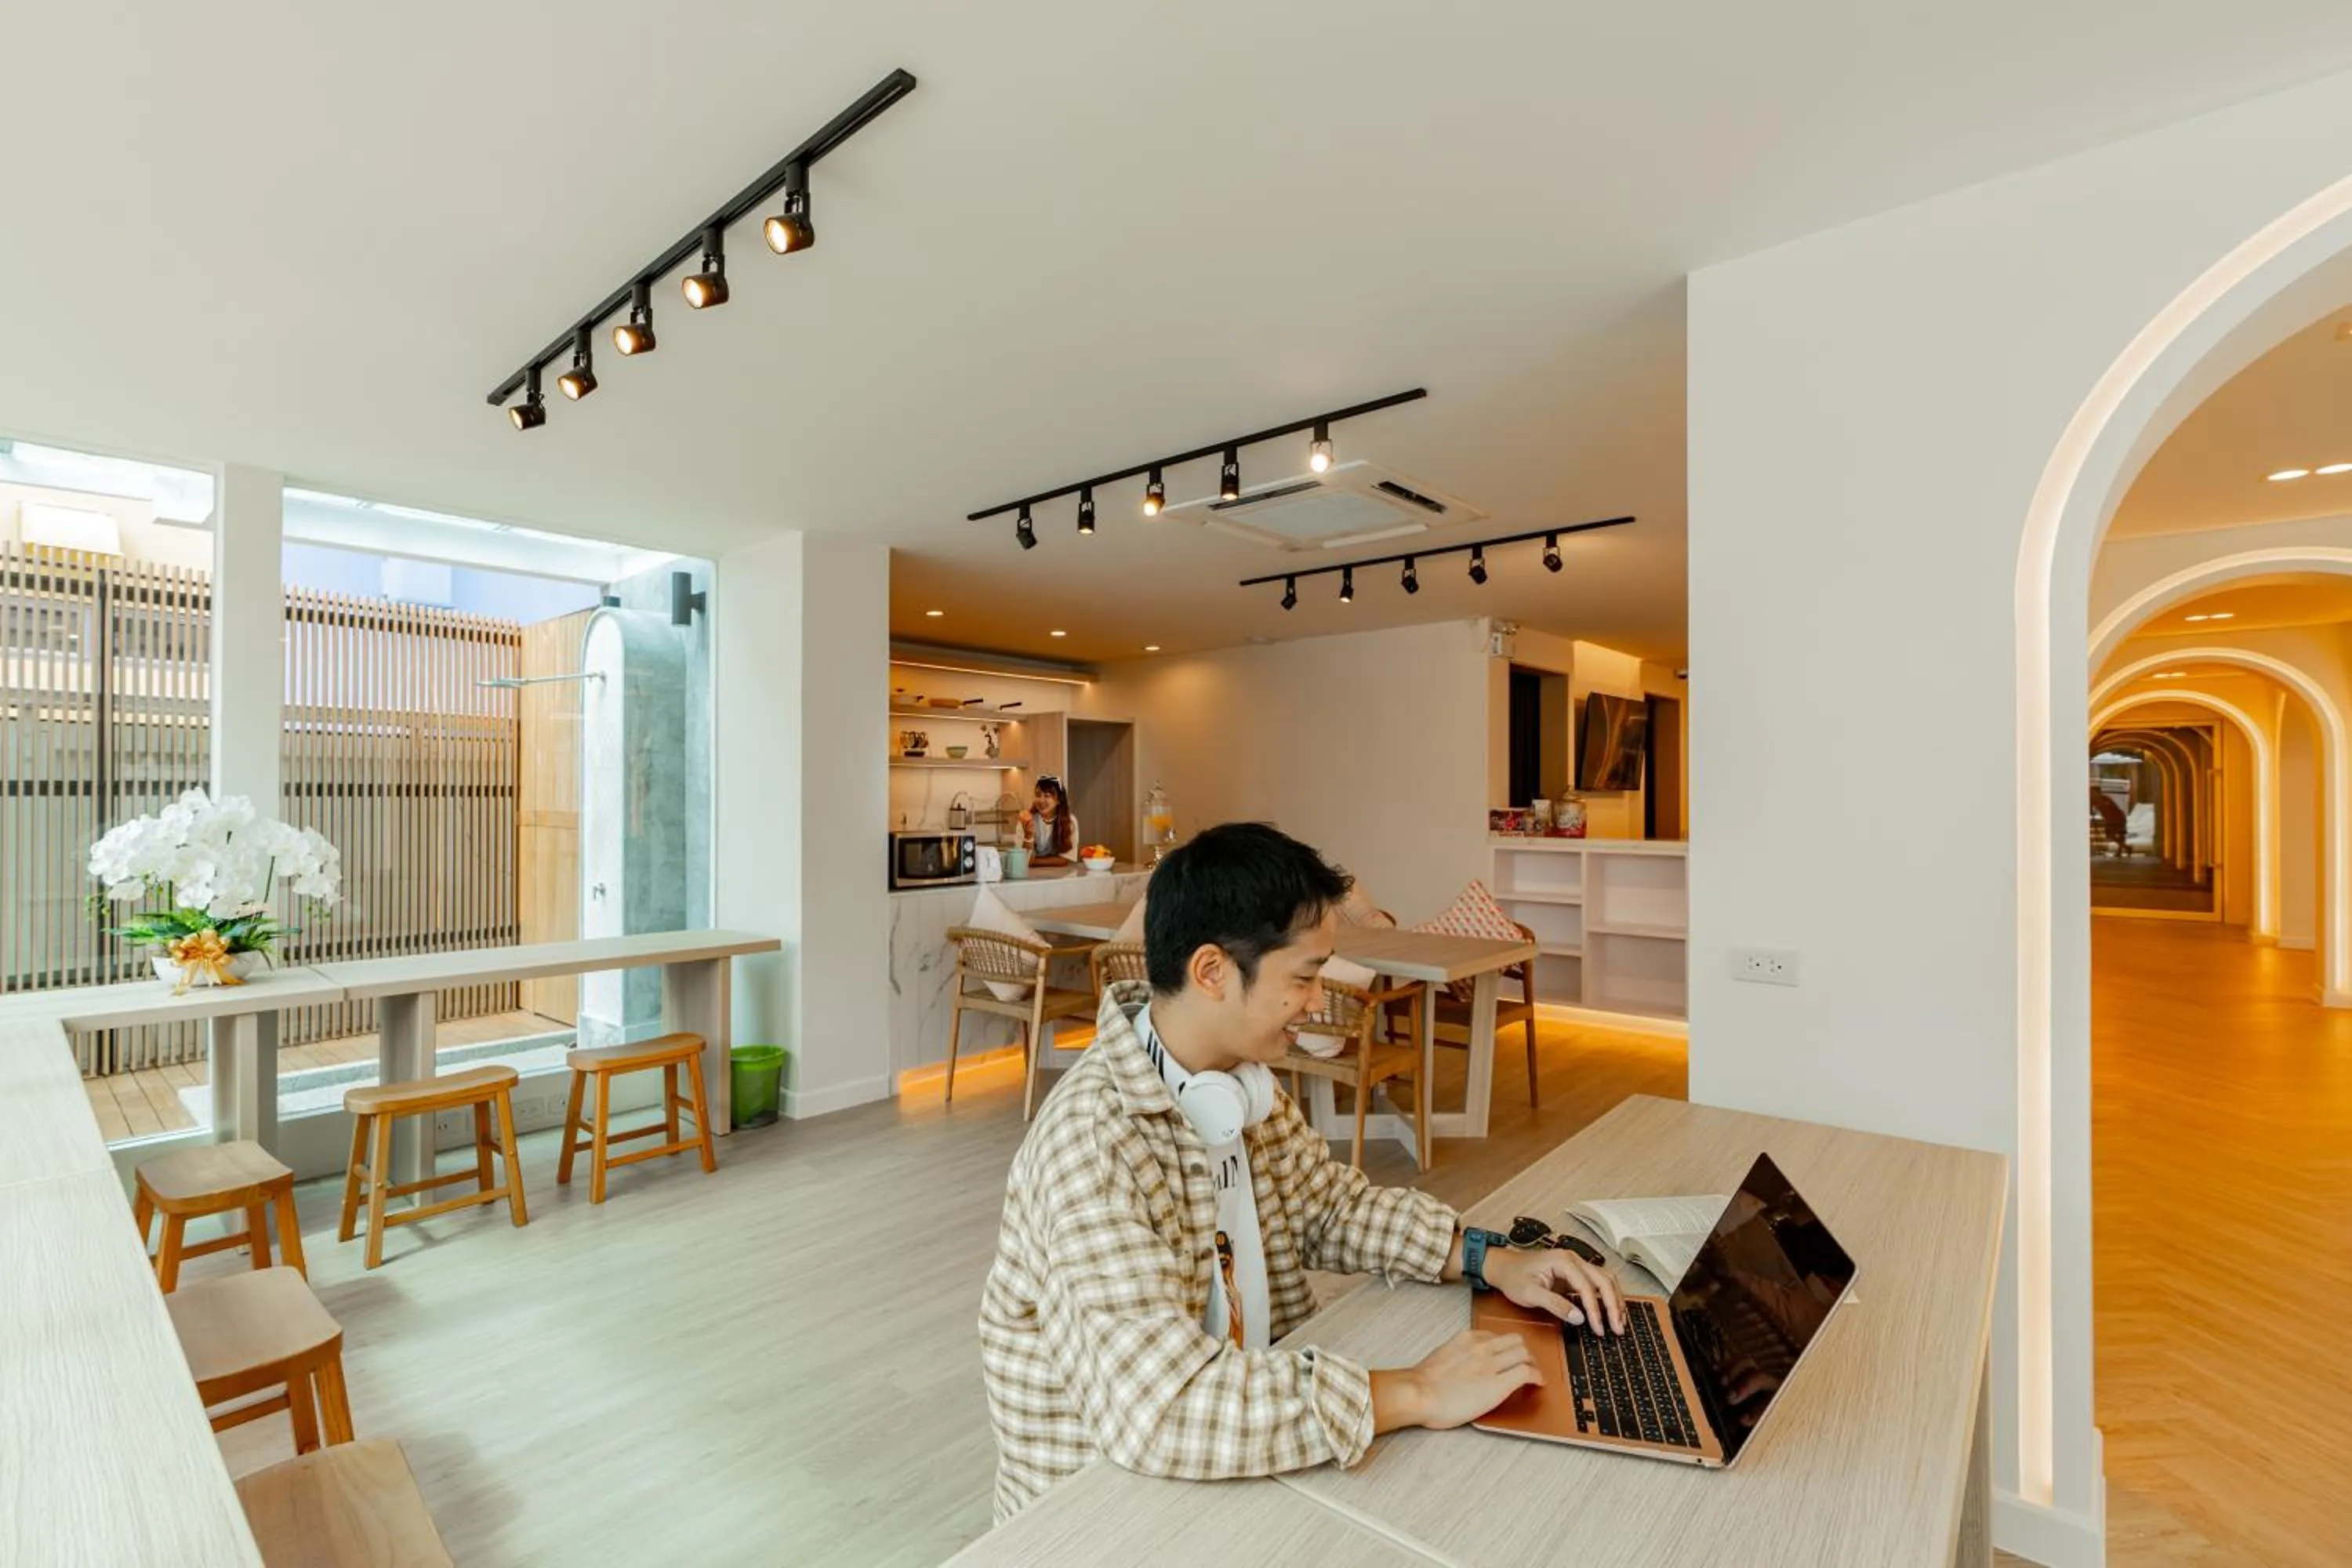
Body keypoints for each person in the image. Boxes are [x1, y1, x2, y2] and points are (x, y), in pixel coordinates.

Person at [978, 822, 1624, 1523]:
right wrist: (1412, 1391)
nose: (1319, 1003)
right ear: (1212, 972)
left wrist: (1488, 1259)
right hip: (1102, 1511)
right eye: (1305, 978)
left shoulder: (1239, 1086)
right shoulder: (1093, 1146)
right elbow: (1162, 1412)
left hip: (1228, 1450)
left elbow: (1329, 1210)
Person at [1019, 775, 1080, 866]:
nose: (1041, 800)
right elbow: (1021, 859)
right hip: (1029, 876)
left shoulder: (1070, 822)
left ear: (1059, 800)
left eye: (1047, 796)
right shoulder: (1026, 819)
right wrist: (1028, 836)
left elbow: (1066, 859)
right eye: (1038, 795)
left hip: (1060, 876)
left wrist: (1034, 861)